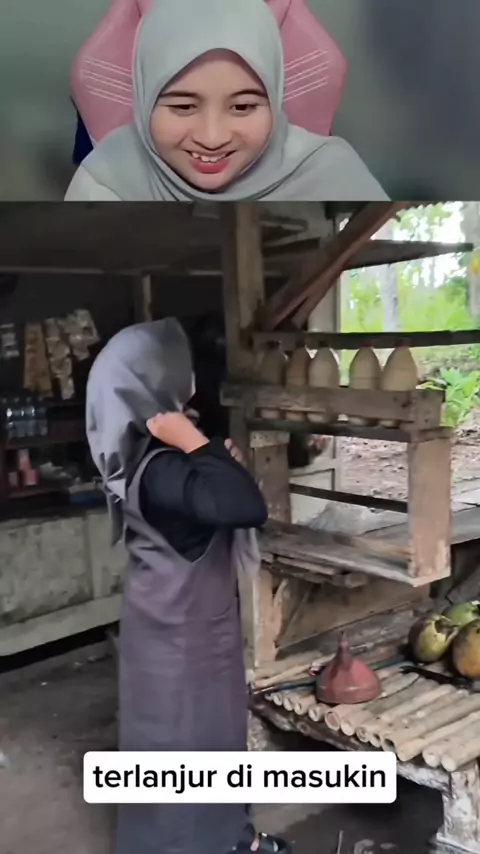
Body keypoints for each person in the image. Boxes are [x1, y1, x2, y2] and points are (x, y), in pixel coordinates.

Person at [85, 317, 290, 854]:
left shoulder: (144, 453)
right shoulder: (165, 466)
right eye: (181, 368)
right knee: (188, 751)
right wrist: (196, 443)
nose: (193, 378)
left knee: (193, 745)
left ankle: (233, 838)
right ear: (158, 380)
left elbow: (224, 494)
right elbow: (246, 507)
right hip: (185, 641)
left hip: (169, 625)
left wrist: (209, 455)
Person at [65, 0, 388, 201]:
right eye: (183, 106)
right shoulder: (105, 182)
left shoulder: (332, 173)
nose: (212, 138)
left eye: (242, 106)